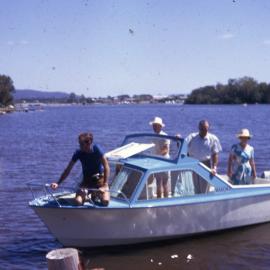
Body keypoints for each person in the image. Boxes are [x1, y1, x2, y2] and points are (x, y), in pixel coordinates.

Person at [51, 132, 110, 206]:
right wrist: (58, 183)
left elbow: (106, 167)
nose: (80, 146)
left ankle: (97, 194)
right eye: (79, 144)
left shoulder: (97, 149)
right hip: (87, 181)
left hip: (99, 179)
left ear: (89, 143)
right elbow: (68, 169)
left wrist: (105, 184)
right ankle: (91, 195)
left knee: (105, 201)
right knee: (78, 201)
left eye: (82, 144)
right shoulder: (78, 153)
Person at [185, 120, 222, 193]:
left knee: (204, 188)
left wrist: (214, 167)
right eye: (203, 129)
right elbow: (183, 146)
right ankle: (197, 202)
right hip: (194, 164)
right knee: (195, 187)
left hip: (206, 164)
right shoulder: (192, 137)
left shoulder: (213, 138)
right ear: (199, 128)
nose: (205, 131)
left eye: (206, 129)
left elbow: (215, 154)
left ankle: (204, 202)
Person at [149, 116, 170, 198]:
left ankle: (166, 200)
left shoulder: (165, 136)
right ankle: (158, 200)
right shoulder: (153, 136)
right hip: (156, 161)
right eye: (154, 125)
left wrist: (156, 156)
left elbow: (165, 150)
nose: (154, 127)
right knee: (158, 182)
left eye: (156, 125)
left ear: (160, 126)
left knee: (165, 183)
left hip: (164, 161)